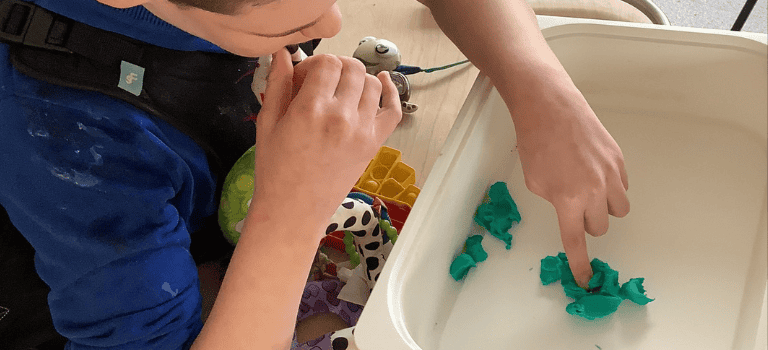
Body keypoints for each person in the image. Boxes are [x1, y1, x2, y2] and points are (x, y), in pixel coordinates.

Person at [0, 0, 630, 349]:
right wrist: (293, 208)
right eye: (295, 19)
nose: (332, 27)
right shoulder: (66, 144)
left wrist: (543, 88)